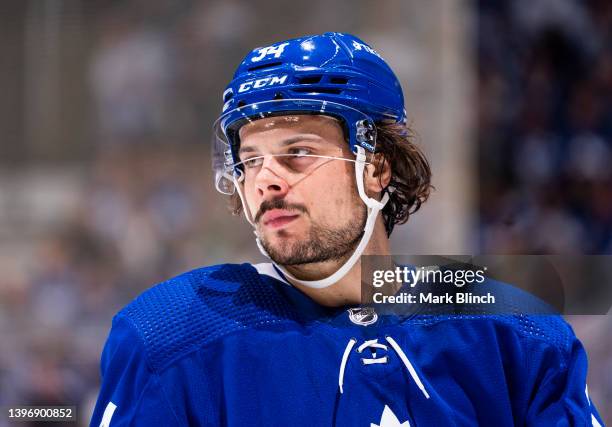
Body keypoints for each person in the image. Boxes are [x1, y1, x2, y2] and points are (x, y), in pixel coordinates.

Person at [90, 32, 603, 426]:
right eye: (249, 162)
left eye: (298, 154)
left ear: (377, 170)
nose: (264, 181)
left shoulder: (513, 333)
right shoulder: (168, 339)